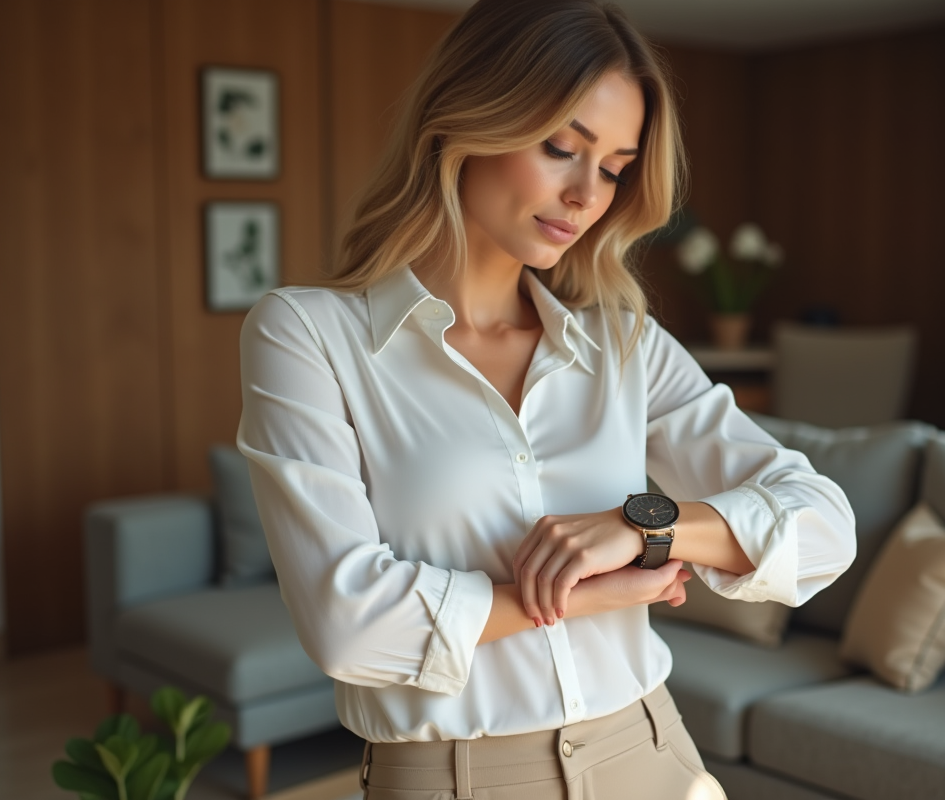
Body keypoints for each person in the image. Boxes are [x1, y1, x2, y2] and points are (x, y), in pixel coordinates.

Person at [236, 1, 856, 797]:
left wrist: (640, 531)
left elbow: (824, 525)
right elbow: (347, 623)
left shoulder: (624, 347)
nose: (585, 195)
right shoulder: (308, 335)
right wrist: (607, 591)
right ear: (466, 119)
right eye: (563, 147)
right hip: (450, 777)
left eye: (614, 168)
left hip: (652, 752)